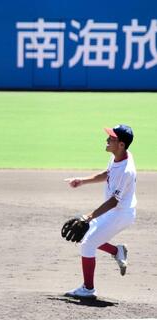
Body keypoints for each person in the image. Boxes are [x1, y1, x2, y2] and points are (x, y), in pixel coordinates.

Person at [64, 125, 136, 298]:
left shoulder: (126, 170)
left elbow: (113, 202)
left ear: (121, 144)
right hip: (114, 210)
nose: (107, 140)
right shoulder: (119, 156)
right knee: (85, 236)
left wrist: (89, 216)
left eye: (111, 138)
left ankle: (88, 289)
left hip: (120, 214)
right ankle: (117, 251)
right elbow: (108, 173)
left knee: (87, 244)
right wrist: (82, 181)